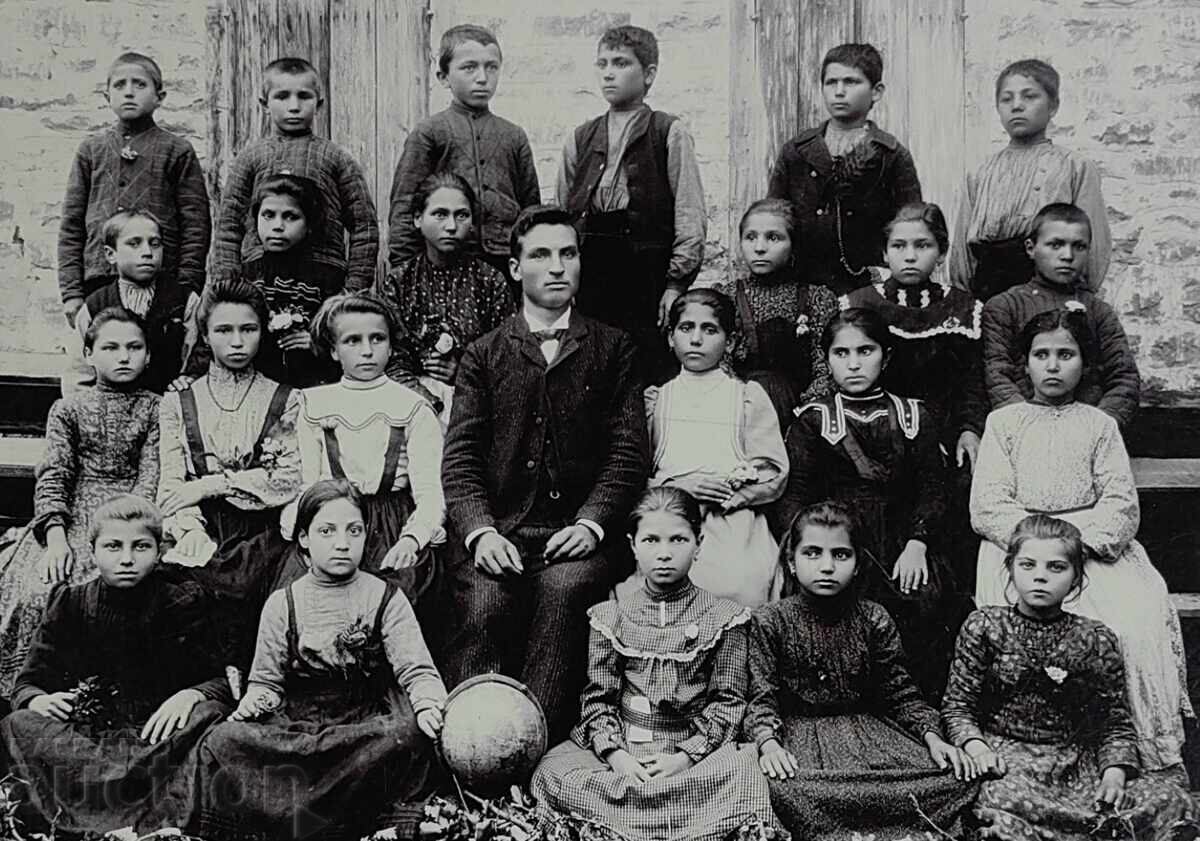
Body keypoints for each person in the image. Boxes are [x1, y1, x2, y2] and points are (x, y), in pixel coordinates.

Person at [441, 205, 649, 742]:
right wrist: (480, 532)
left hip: (579, 537)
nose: (557, 267)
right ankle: (470, 749)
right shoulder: (484, 354)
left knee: (564, 592)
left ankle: (537, 750)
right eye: (540, 255)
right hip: (501, 532)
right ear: (515, 269)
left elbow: (627, 454)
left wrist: (591, 524)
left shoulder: (614, 347)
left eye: (567, 254)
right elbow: (460, 459)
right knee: (483, 603)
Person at [971, 309, 1189, 771]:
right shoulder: (1004, 423)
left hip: (1090, 548)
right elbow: (988, 503)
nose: (1053, 366)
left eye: (1065, 355)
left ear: (1084, 364)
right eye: (1041, 355)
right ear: (1025, 364)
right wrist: (1038, 548)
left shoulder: (1099, 425)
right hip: (1021, 549)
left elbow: (1121, 502)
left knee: (1131, 627)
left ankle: (1126, 752)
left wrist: (1077, 546)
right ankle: (1049, 751)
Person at [194, 480, 445, 841]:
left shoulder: (386, 597)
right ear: (304, 538)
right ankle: (313, 817)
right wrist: (255, 701)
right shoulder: (283, 603)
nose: (342, 543)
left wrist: (427, 704)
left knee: (407, 735)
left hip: (364, 719)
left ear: (366, 535)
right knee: (223, 740)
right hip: (300, 718)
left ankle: (333, 816)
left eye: (353, 530)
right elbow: (266, 681)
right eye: (327, 531)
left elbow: (416, 669)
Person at [530, 487, 780, 841]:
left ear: (699, 544)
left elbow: (728, 701)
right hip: (627, 750)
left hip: (691, 754)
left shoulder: (724, 617)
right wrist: (616, 756)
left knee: (743, 773)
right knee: (552, 772)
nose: (664, 553)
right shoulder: (612, 615)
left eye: (678, 539)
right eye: (651, 540)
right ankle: (658, 817)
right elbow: (598, 699)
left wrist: (686, 757)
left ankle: (650, 817)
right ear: (633, 545)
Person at [942, 514, 1199, 841]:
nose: (1040, 577)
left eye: (1056, 567)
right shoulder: (985, 626)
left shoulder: (1094, 638)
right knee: (999, 798)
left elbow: (1113, 721)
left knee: (1172, 799)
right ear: (1010, 569)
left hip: (1075, 762)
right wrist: (977, 748)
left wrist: (1114, 774)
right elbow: (957, 706)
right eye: (1028, 565)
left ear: (1076, 578)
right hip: (1008, 760)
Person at [1, 495, 231, 835]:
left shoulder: (184, 600)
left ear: (159, 551)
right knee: (19, 722)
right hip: (91, 737)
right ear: (93, 552)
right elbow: (27, 682)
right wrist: (38, 700)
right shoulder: (70, 602)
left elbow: (220, 681)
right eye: (113, 546)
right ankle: (123, 810)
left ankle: (137, 815)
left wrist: (191, 695)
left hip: (159, 736)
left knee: (210, 716)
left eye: (141, 547)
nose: (126, 559)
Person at [748, 501, 977, 841]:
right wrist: (769, 745)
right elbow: (761, 696)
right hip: (802, 738)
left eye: (841, 555)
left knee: (952, 777)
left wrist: (933, 739)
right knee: (778, 786)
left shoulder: (873, 617)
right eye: (812, 553)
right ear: (792, 563)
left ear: (857, 565)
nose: (827, 566)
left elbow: (901, 694)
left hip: (869, 736)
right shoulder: (770, 621)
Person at [776, 308, 969, 701]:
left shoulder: (914, 415)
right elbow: (795, 495)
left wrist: (918, 543)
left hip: (903, 541)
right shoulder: (814, 420)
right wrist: (812, 548)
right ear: (827, 360)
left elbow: (933, 488)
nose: (854, 363)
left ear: (886, 356)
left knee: (923, 602)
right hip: (836, 541)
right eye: (841, 353)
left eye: (865, 351)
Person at [0, 308, 161, 697]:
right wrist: (56, 539)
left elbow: (150, 476)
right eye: (110, 347)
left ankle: (104, 694)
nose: (123, 357)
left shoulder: (157, 408)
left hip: (131, 515)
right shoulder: (68, 408)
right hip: (71, 515)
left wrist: (127, 534)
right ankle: (30, 692)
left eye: (134, 347)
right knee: (40, 589)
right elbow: (54, 474)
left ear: (148, 355)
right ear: (89, 354)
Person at [272, 294, 445, 621]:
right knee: (300, 603)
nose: (367, 351)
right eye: (352, 341)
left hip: (391, 524)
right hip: (330, 518)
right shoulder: (313, 404)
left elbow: (430, 493)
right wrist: (302, 527)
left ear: (391, 347)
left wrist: (412, 539)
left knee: (392, 603)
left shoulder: (413, 407)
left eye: (377, 339)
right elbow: (308, 484)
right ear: (334, 350)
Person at [157, 279, 303, 668]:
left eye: (248, 329)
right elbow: (172, 485)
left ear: (262, 332)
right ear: (205, 335)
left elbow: (288, 478)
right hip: (202, 526)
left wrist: (213, 484)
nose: (237, 342)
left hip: (264, 530)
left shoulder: (287, 399)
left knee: (256, 588)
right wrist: (190, 530)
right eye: (223, 330)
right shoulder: (177, 402)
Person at [843, 201, 987, 590]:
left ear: (940, 252)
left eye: (922, 245)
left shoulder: (962, 308)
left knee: (961, 482)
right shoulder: (861, 302)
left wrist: (970, 430)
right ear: (884, 252)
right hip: (878, 427)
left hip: (944, 430)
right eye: (899, 246)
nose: (910, 256)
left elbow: (971, 383)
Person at [558, 24, 707, 386]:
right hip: (592, 272)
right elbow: (562, 217)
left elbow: (689, 213)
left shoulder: (668, 132)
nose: (609, 73)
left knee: (646, 370)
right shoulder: (580, 137)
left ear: (649, 74)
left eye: (621, 63)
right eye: (603, 63)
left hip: (646, 274)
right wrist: (565, 280)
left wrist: (675, 284)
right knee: (593, 371)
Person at [644, 288, 788, 607]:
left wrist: (730, 494)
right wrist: (677, 487)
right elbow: (637, 474)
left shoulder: (746, 397)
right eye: (686, 328)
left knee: (740, 582)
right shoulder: (656, 401)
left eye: (709, 330)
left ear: (730, 341)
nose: (696, 339)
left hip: (731, 519)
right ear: (670, 337)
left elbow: (772, 470)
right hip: (666, 518)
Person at [57, 51, 209, 324]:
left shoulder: (177, 151)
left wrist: (187, 287)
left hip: (162, 283)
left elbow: (195, 224)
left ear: (159, 97)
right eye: (120, 85)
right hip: (100, 281)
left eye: (140, 84)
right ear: (107, 97)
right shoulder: (91, 150)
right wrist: (71, 292)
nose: (129, 92)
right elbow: (72, 225)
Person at [211, 57, 378, 292]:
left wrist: (353, 288)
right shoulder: (250, 158)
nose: (294, 106)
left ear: (319, 104)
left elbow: (364, 226)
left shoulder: (337, 158)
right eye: (282, 96)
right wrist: (228, 283)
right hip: (260, 276)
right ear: (265, 104)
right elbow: (229, 224)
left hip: (323, 276)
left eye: (304, 96)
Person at [388, 25, 540, 280]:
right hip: (445, 263)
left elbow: (530, 208)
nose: (482, 78)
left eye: (491, 67)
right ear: (443, 77)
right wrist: (405, 273)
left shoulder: (514, 135)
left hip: (504, 265)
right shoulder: (429, 132)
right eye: (469, 68)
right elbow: (405, 206)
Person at [767, 43, 922, 295]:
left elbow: (912, 227)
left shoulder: (891, 155)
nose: (839, 91)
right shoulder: (795, 151)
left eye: (851, 82)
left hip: (867, 285)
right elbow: (771, 219)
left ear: (876, 91)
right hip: (802, 283)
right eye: (831, 83)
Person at [950, 59, 1111, 300]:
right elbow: (963, 252)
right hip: (988, 294)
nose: (1017, 106)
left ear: (1053, 106)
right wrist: (964, 299)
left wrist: (1079, 298)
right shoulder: (980, 172)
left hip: (1053, 294)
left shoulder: (1074, 167)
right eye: (1006, 99)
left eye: (1029, 96)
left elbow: (1093, 246)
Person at [373, 171, 515, 426]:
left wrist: (463, 373)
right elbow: (390, 361)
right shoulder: (399, 282)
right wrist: (428, 403)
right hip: (410, 407)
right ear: (418, 218)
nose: (451, 226)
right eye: (440, 214)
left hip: (477, 406)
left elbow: (507, 359)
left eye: (461, 215)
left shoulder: (490, 281)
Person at [981, 202, 1139, 430]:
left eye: (1079, 246)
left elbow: (1124, 378)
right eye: (1055, 245)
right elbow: (997, 376)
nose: (1067, 255)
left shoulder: (1099, 312)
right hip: (1024, 430)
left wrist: (1097, 428)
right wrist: (1029, 425)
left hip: (1086, 430)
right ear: (1030, 248)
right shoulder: (1004, 306)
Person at [184, 173, 340, 388]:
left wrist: (317, 344)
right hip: (253, 387)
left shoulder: (328, 279)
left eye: (290, 217)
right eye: (268, 215)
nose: (278, 226)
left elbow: (346, 336)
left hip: (312, 384)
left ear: (310, 224)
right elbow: (214, 330)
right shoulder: (244, 277)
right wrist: (192, 375)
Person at [725, 198, 838, 432]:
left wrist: (802, 417)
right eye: (750, 237)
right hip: (740, 414)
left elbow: (826, 369)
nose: (759, 247)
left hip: (802, 417)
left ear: (793, 245)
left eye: (773, 238)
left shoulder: (817, 299)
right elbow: (720, 364)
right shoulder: (728, 297)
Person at [63, 209, 193, 395]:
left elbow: (195, 359)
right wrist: (85, 406)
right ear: (111, 254)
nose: (147, 252)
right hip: (108, 406)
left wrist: (188, 378)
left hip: (167, 402)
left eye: (155, 244)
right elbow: (78, 374)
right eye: (134, 244)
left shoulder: (183, 300)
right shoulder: (95, 305)